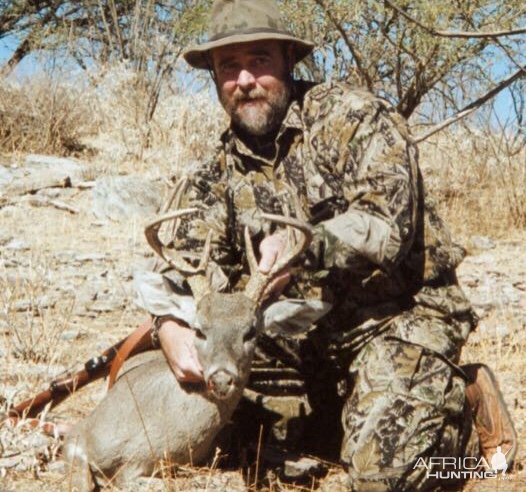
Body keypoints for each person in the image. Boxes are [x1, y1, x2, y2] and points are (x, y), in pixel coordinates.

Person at [136, 0, 517, 489]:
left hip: (393, 319)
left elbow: (388, 228)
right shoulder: (214, 176)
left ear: (289, 63)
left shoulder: (352, 119)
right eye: (229, 66)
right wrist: (168, 325)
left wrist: (305, 247)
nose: (245, 80)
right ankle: (342, 417)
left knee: (384, 475)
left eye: (260, 61)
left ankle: (468, 436)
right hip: (292, 340)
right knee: (216, 440)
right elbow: (182, 269)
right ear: (213, 76)